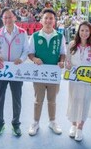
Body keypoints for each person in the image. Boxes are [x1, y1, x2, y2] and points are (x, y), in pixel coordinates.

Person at [0, 8, 30, 137]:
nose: (7, 19)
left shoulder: (22, 33)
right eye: (5, 17)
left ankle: (16, 124)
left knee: (16, 99)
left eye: (9, 17)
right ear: (2, 19)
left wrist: (22, 59)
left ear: (14, 18)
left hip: (16, 71)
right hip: (1, 70)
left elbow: (26, 51)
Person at [28, 8, 66, 136]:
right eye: (46, 18)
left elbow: (62, 53)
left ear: (54, 21)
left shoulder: (60, 36)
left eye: (51, 18)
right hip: (39, 74)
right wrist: (34, 58)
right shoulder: (34, 36)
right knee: (38, 100)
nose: (48, 20)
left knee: (52, 100)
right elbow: (30, 53)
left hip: (53, 75)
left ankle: (52, 121)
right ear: (41, 20)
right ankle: (35, 122)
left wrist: (61, 62)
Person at [65, 21, 91, 142]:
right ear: (78, 31)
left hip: (88, 81)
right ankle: (73, 125)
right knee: (74, 101)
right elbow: (67, 63)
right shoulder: (72, 45)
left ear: (90, 32)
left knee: (85, 102)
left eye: (87, 31)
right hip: (74, 81)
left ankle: (80, 127)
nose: (84, 33)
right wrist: (67, 65)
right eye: (82, 30)